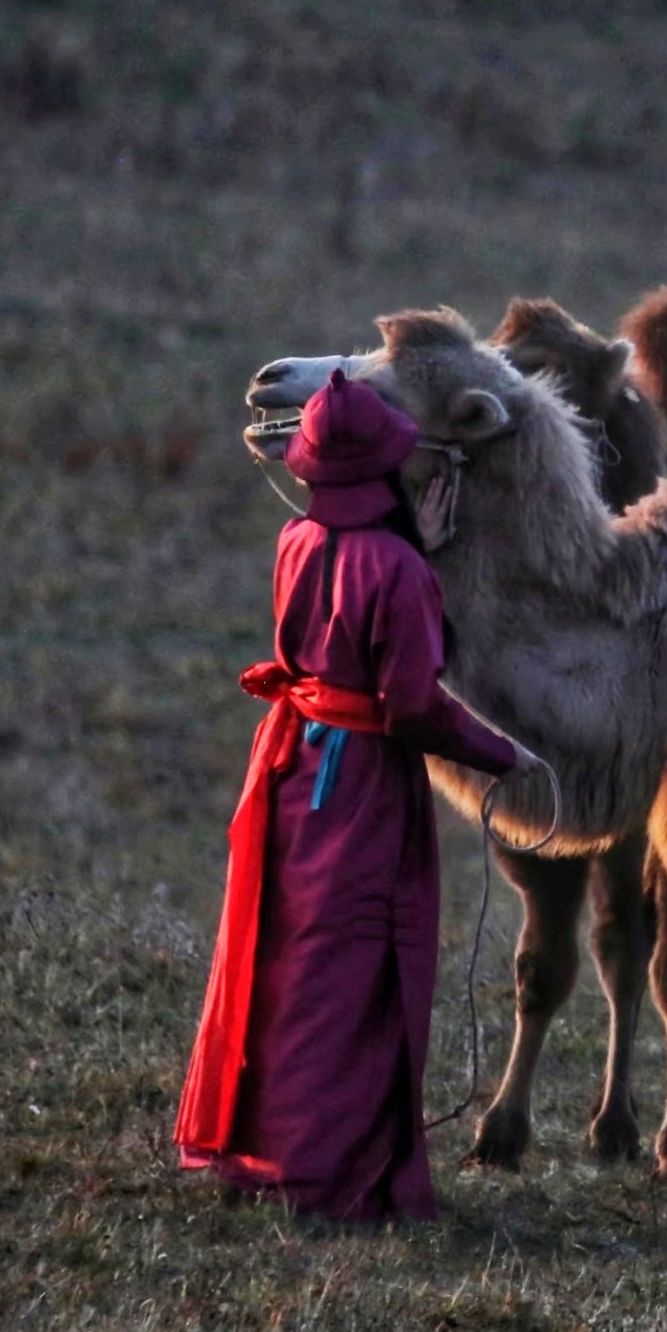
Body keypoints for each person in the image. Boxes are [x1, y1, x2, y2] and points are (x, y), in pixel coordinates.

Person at [177, 370, 539, 1224]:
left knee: (288, 956)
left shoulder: (296, 540)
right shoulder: (401, 570)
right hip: (366, 784)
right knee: (354, 970)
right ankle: (334, 1173)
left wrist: (424, 553)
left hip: (291, 765)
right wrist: (501, 754)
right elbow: (410, 705)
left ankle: (269, 1145)